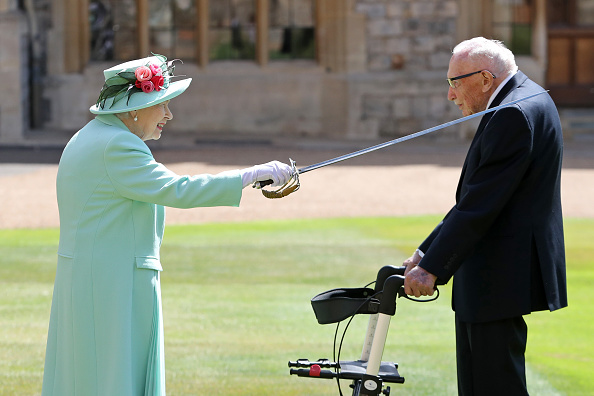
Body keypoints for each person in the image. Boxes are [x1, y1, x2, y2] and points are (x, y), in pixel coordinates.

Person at [41, 54, 293, 396]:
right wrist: (249, 175)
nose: (168, 114)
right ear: (134, 108)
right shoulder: (118, 145)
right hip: (112, 284)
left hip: (94, 279)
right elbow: (179, 189)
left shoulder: (90, 136)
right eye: (161, 104)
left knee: (89, 376)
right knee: (112, 379)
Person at [402, 37, 567, 395]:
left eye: (454, 83)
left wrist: (431, 268)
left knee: (494, 385)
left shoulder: (512, 112)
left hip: (499, 273)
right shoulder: (526, 96)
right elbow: (477, 197)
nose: (450, 95)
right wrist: (425, 252)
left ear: (486, 79)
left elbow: (481, 205)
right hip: (497, 271)